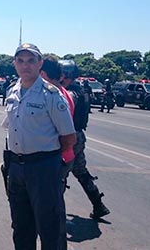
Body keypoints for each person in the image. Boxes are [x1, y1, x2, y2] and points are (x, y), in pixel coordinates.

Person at [1, 43, 76, 250]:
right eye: (20, 61)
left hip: (43, 168)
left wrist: (47, 160)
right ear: (14, 64)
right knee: (21, 228)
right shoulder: (12, 91)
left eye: (31, 61)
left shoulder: (51, 94)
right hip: (16, 168)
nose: (25, 66)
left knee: (50, 228)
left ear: (40, 63)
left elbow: (69, 137)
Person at [59, 60, 110, 220]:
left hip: (69, 137)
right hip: (79, 135)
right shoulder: (81, 91)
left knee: (59, 173)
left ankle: (54, 211)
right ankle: (98, 204)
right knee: (80, 171)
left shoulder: (70, 93)